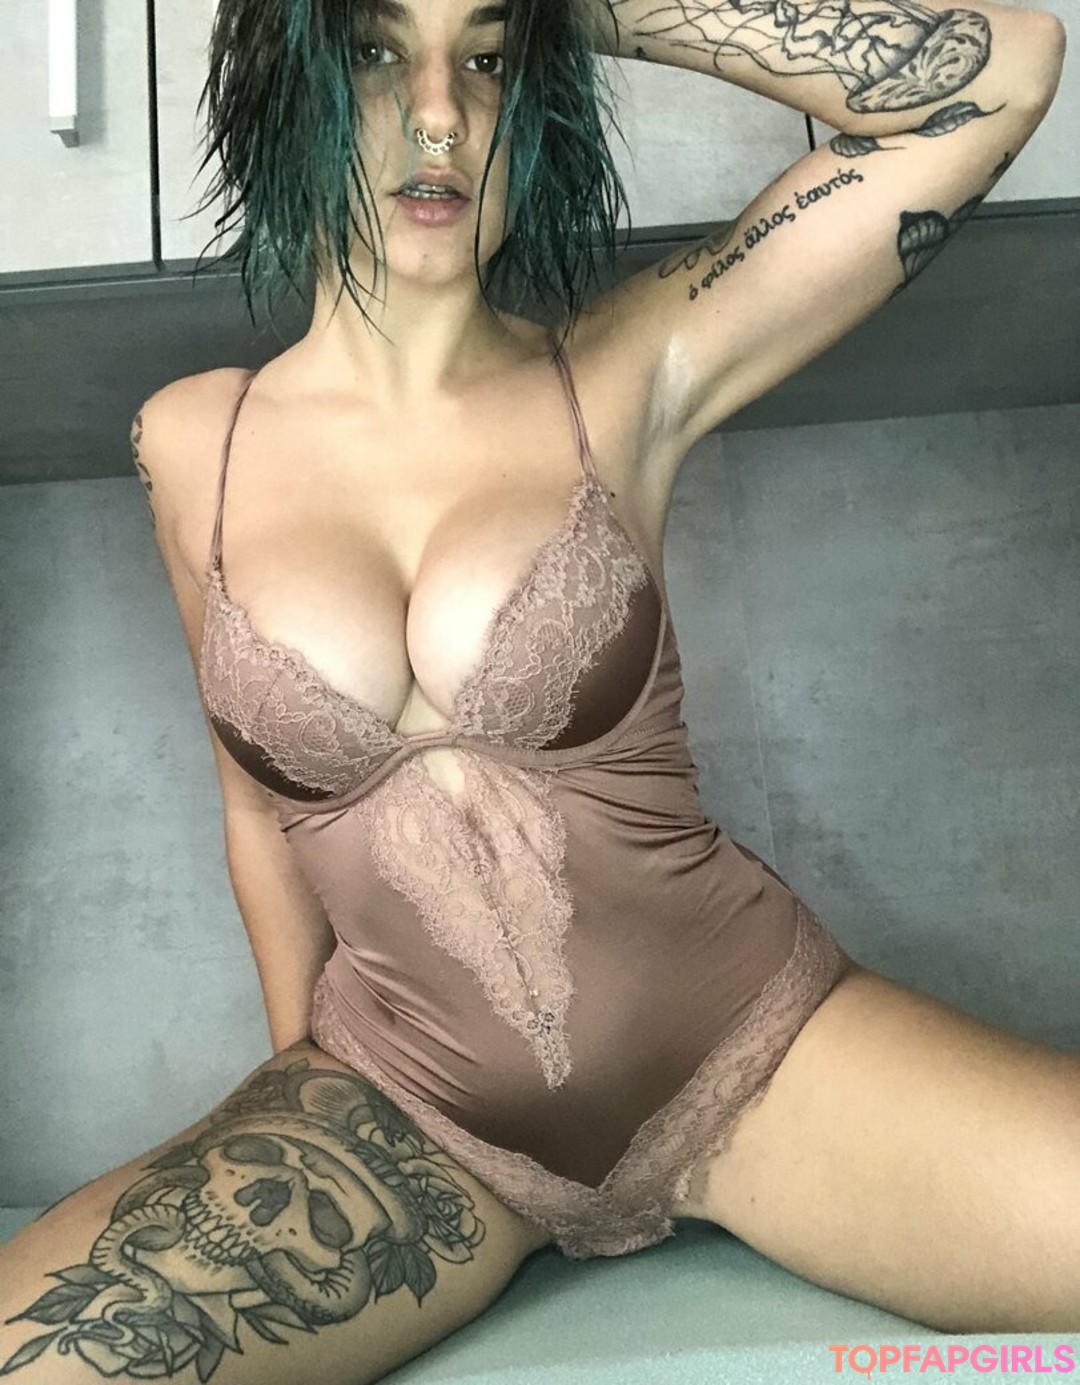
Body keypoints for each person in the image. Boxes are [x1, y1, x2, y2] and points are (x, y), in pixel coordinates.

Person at [2, 0, 1075, 1378]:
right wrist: (300, 1078)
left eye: (491, 59)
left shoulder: (631, 366)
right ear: (285, 82)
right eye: (376, 52)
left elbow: (1005, 72)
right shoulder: (192, 441)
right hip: (412, 1120)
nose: (438, 114)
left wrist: (577, 4)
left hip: (756, 1060)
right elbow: (259, 812)